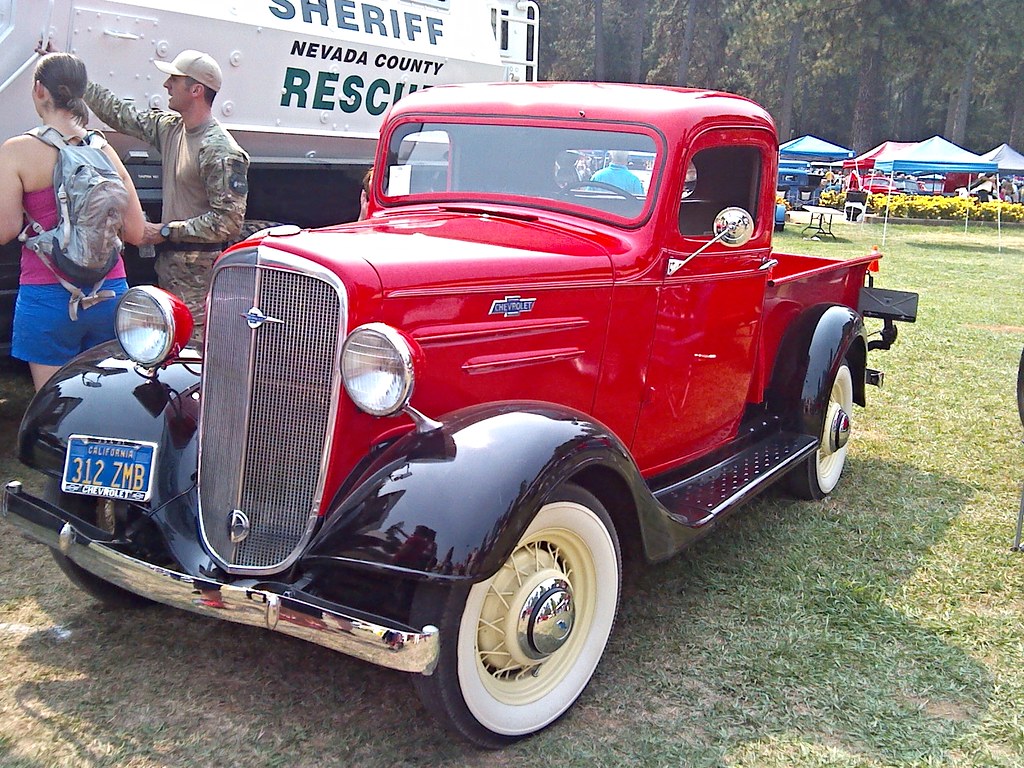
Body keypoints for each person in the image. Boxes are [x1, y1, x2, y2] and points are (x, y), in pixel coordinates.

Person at [83, 49, 250, 342]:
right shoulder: (172, 129)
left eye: (174, 79)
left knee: (192, 351)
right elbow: (120, 114)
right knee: (169, 347)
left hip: (198, 279)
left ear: (196, 90)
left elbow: (228, 223)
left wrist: (164, 231)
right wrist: (79, 82)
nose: (166, 85)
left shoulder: (220, 150)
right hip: (171, 269)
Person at [0, 52, 145, 390]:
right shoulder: (105, 151)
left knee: (56, 405)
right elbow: (136, 232)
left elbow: (6, 229)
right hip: (109, 293)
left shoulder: (16, 151)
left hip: (48, 297)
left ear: (39, 90)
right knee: (108, 401)